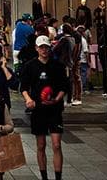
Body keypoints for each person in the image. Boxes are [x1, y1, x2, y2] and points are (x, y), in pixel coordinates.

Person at [20, 35, 68, 180]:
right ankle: (44, 176)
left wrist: (57, 99)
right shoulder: (30, 66)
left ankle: (58, 176)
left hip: (54, 110)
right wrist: (28, 100)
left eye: (46, 47)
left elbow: (64, 86)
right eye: (41, 47)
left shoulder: (58, 66)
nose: (44, 50)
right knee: (40, 145)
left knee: (56, 144)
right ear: (36, 48)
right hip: (38, 110)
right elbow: (24, 87)